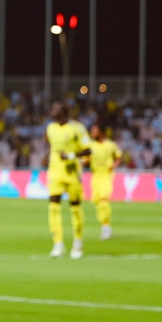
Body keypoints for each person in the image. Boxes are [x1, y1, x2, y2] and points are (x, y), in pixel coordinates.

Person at [45, 102, 91, 259]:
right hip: (55, 173)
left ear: (63, 112)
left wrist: (71, 156)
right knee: (53, 207)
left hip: (72, 173)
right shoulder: (50, 128)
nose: (52, 111)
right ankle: (58, 244)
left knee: (75, 208)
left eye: (55, 109)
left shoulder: (77, 128)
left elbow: (88, 149)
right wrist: (46, 157)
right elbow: (51, 146)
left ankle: (78, 243)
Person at [87, 123, 122, 240]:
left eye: (94, 131)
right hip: (95, 175)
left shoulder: (110, 145)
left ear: (101, 132)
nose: (92, 133)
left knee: (103, 200)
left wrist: (114, 165)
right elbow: (85, 160)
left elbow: (118, 156)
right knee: (98, 203)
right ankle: (105, 224)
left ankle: (106, 227)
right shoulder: (90, 145)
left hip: (106, 176)